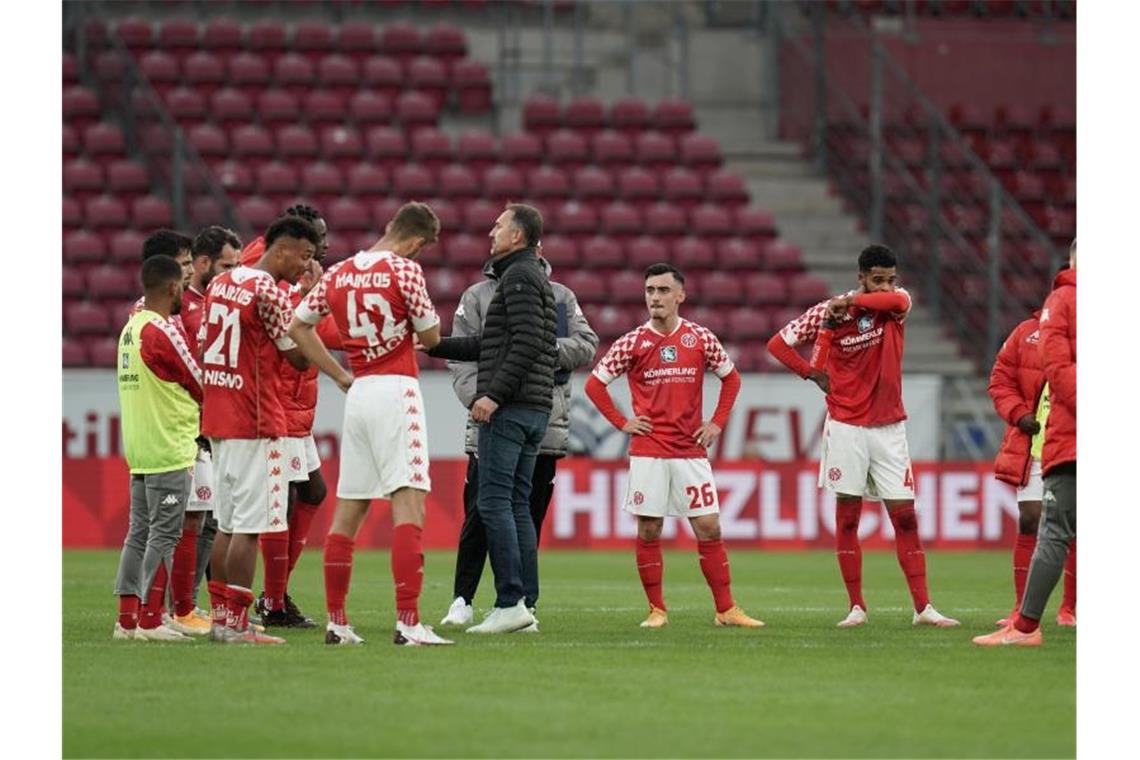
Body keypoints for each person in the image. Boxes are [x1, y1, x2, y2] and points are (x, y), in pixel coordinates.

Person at [766, 244, 959, 628]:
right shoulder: (828, 312)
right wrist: (811, 372)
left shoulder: (898, 304)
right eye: (877, 279)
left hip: (889, 427)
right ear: (861, 276)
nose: (886, 285)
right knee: (848, 518)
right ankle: (856, 606)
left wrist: (849, 302)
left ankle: (923, 608)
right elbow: (777, 345)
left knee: (905, 518)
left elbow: (894, 298)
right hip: (846, 427)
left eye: (890, 279)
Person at [289, 201, 452, 646]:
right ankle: (409, 622)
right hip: (397, 388)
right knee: (409, 501)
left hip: (358, 390)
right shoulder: (406, 271)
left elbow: (298, 326)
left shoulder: (340, 272)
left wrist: (339, 372)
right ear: (417, 242)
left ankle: (337, 623)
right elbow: (433, 337)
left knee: (350, 507)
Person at [584, 263, 763, 629]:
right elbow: (594, 385)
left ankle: (726, 609)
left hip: (689, 450)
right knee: (650, 528)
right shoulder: (633, 342)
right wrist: (622, 423)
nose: (655, 297)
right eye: (650, 290)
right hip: (649, 450)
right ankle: (657, 610)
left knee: (709, 526)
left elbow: (731, 380)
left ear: (680, 295)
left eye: (663, 290)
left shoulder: (699, 338)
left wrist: (716, 423)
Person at [439, 245, 599, 628]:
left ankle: (522, 603)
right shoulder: (477, 296)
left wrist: (536, 351)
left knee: (526, 513)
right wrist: (479, 398)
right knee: (479, 513)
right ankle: (463, 598)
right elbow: (462, 359)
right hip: (492, 413)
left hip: (545, 422)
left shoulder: (561, 296)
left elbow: (587, 345)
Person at [426, 203, 558, 635]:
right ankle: (522, 605)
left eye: (499, 226)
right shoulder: (531, 276)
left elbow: (523, 344)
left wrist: (493, 395)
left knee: (493, 502)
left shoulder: (518, 277)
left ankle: (508, 602)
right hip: (535, 407)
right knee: (517, 503)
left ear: (518, 236)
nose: (491, 232)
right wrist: (434, 346)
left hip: (513, 407)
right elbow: (494, 343)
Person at [199, 216, 318, 645]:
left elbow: (203, 344)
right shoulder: (267, 289)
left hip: (218, 413)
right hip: (255, 418)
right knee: (249, 528)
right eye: (304, 256)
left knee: (226, 524)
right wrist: (309, 306)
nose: (305, 266)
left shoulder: (222, 283)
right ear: (282, 249)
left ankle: (218, 618)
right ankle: (235, 626)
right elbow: (298, 357)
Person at [974, 240, 1077, 647]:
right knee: (1035, 521)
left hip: (1068, 434)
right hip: (1038, 441)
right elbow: (999, 380)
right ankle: (1022, 611)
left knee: (1064, 528)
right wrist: (1020, 415)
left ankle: (1067, 609)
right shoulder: (1025, 333)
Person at [242, 205, 335, 628]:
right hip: (274, 401)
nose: (323, 249)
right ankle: (273, 602)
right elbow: (278, 329)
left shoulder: (294, 271)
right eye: (317, 242)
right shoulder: (260, 271)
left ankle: (273, 595)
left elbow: (316, 329)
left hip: (297, 404)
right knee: (285, 499)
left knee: (310, 493)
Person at [112, 255, 202, 642]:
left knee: (138, 534)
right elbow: (198, 380)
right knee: (165, 536)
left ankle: (127, 620)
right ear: (172, 289)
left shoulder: (131, 329)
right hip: (170, 445)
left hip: (142, 449)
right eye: (181, 285)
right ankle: (150, 620)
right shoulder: (161, 331)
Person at [182, 226, 242, 618]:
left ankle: (202, 605)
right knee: (196, 521)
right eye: (226, 266)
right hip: (194, 429)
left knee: (213, 520)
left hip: (216, 426)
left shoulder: (215, 304)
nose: (232, 274)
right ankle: (182, 606)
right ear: (203, 263)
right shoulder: (186, 308)